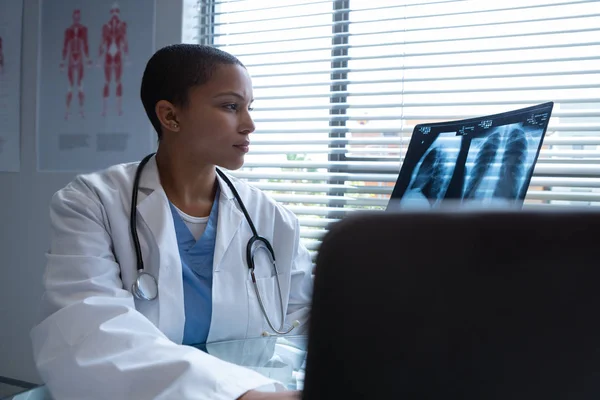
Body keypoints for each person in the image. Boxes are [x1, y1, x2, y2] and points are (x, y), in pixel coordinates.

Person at [30, 44, 314, 400]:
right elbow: (89, 329)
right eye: (231, 106)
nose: (249, 124)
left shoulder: (271, 218)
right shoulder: (93, 202)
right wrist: (240, 395)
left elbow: (306, 321)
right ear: (170, 116)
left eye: (249, 108)